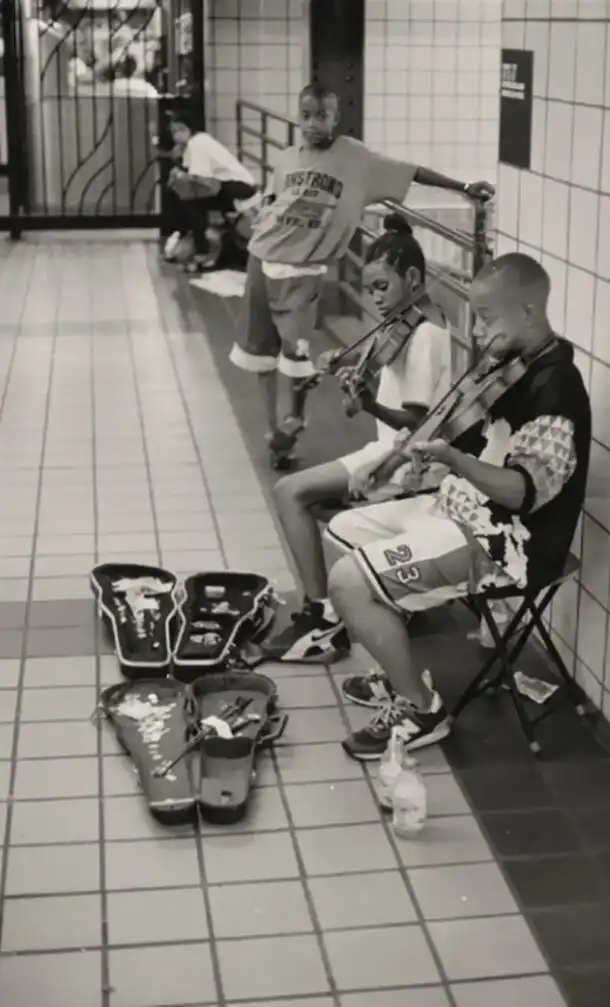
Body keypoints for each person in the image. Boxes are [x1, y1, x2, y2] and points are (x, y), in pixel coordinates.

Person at [319, 253, 591, 761]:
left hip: (510, 544)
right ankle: (395, 666)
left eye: (486, 317)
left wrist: (453, 461)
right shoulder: (508, 364)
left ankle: (422, 709)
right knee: (341, 530)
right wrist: (390, 462)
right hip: (463, 509)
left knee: (348, 582)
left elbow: (522, 492)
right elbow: (450, 428)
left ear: (529, 311)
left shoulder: (556, 387)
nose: (478, 330)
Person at [229, 80, 494, 468]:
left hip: (303, 270)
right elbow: (274, 202)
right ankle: (274, 433)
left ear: (336, 118)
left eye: (321, 116)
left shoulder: (354, 158)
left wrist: (464, 187)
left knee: (296, 351)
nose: (312, 124)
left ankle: (293, 420)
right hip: (261, 259)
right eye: (306, 116)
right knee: (259, 352)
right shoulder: (285, 159)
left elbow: (411, 171)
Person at [264, 212, 453, 662]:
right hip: (388, 451)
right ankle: (358, 598)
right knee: (303, 497)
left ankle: (322, 616)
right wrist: (348, 367)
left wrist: (367, 404)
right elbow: (381, 367)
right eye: (370, 290)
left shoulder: (426, 335)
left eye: (382, 287)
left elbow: (416, 423)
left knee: (289, 492)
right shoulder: (409, 320)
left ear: (412, 278)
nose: (376, 298)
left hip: (405, 461)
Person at [167, 112, 259, 271]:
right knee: (191, 201)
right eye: (173, 132)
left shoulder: (197, 142)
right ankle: (200, 246)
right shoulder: (194, 143)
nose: (176, 135)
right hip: (232, 186)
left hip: (239, 188)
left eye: (180, 130)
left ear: (188, 129)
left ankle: (202, 250)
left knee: (191, 203)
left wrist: (178, 174)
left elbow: (198, 178)